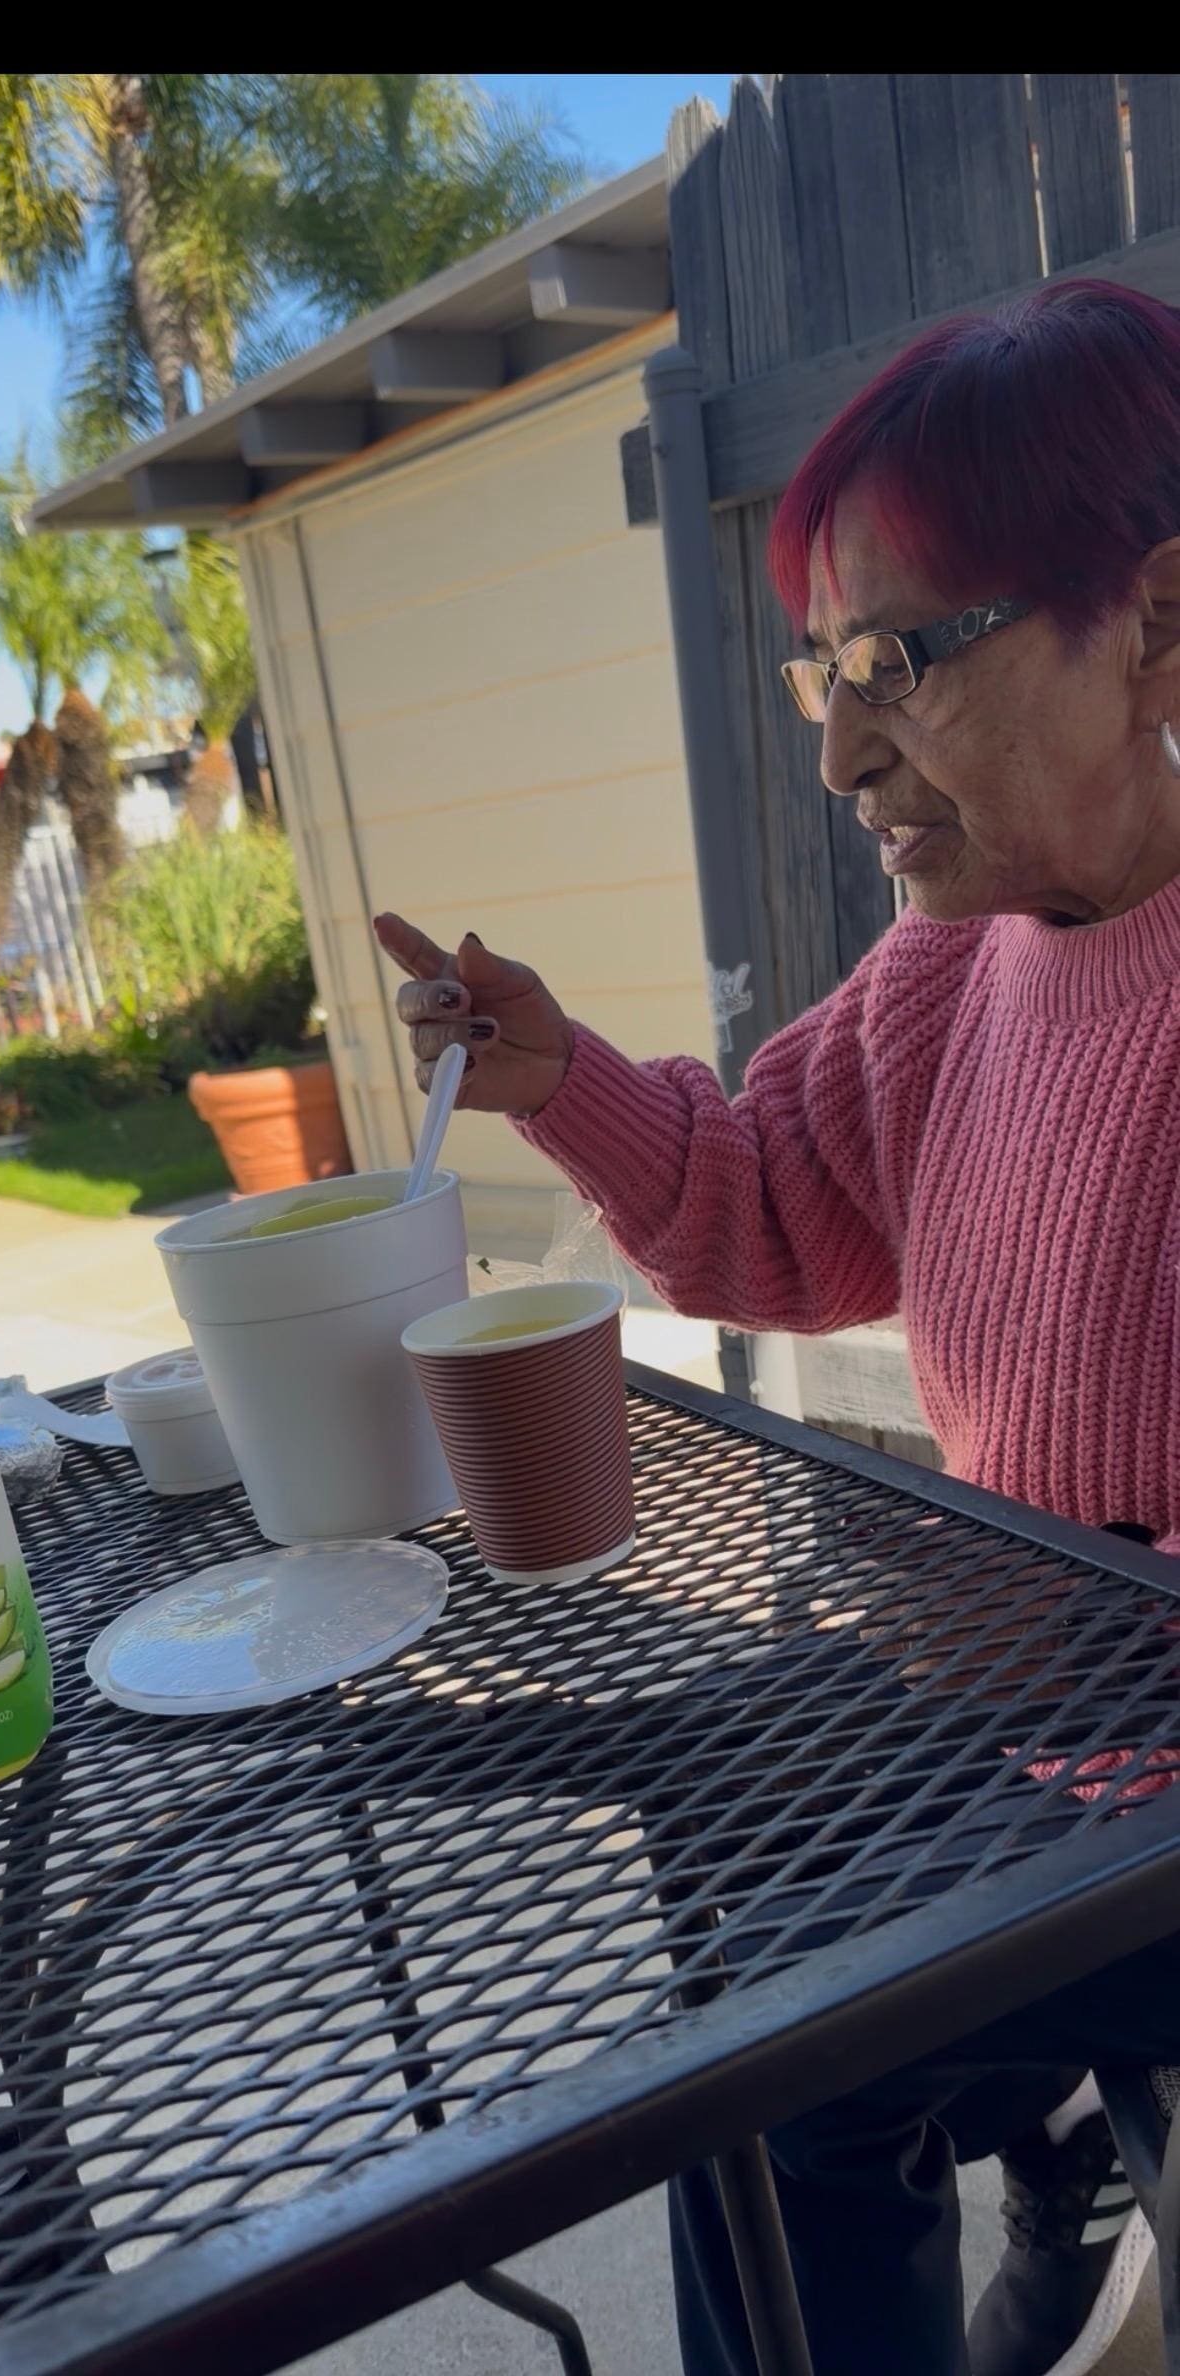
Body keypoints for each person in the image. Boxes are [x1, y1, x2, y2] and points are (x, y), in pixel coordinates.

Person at [375, 277, 1180, 2375]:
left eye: (899, 662)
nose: (835, 752)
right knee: (759, 2050)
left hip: (1139, 1810)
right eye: (819, 673)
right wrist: (561, 1078)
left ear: (1162, 620)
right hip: (1052, 1765)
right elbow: (766, 1204)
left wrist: (1062, 1615)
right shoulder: (961, 973)